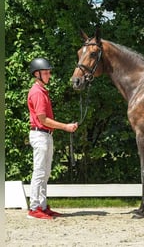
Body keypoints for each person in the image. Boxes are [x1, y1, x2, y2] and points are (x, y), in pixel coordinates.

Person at [27, 57, 78, 219]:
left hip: (46, 135)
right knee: (39, 172)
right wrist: (65, 127)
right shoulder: (37, 93)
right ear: (37, 74)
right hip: (40, 134)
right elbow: (43, 119)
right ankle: (34, 208)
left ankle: (42, 206)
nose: (49, 75)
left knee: (45, 172)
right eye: (46, 72)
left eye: (49, 72)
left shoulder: (42, 91)